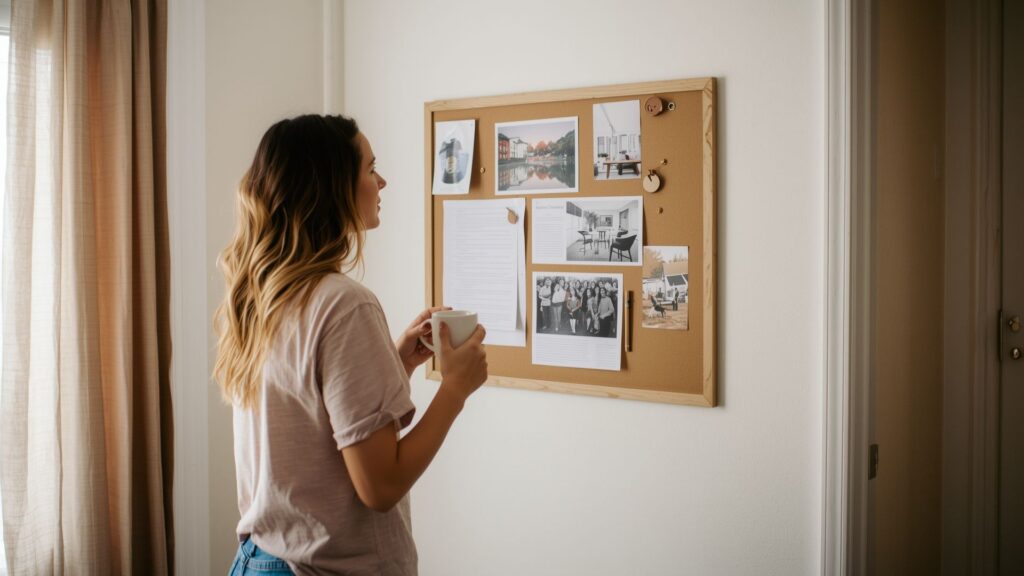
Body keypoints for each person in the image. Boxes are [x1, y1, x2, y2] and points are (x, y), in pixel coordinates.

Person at [214, 115, 488, 575]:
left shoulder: (262, 296)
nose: (382, 181)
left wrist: (395, 362)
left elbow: (309, 423)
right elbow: (381, 487)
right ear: (332, 186)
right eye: (370, 168)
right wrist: (455, 390)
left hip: (259, 561)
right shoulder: (344, 303)